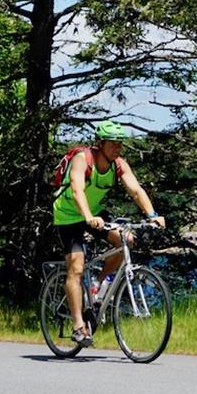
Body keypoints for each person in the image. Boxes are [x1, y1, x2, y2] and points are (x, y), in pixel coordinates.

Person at [52, 120, 165, 346]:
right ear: (100, 143)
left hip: (95, 215)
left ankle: (98, 283)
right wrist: (87, 217)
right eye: (113, 144)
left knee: (127, 240)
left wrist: (152, 215)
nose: (117, 148)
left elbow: (135, 189)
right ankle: (78, 326)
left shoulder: (119, 164)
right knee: (76, 266)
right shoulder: (83, 159)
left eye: (120, 144)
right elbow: (77, 189)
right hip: (68, 215)